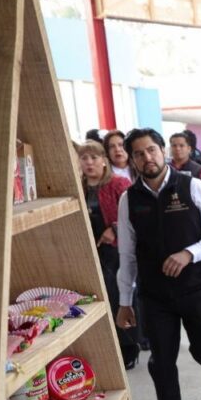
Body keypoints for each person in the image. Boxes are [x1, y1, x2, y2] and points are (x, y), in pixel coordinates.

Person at [116, 128, 201, 400]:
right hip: (154, 297)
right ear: (132, 160)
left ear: (162, 149)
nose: (146, 158)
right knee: (161, 363)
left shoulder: (190, 185)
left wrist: (189, 253)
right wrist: (125, 301)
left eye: (151, 150)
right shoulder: (129, 199)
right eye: (138, 153)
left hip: (195, 290)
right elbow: (126, 254)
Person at [76, 140, 140, 369]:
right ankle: (109, 347)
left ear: (104, 160)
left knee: (118, 298)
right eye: (84, 158)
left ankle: (129, 347)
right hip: (89, 252)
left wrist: (113, 228)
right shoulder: (78, 187)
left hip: (115, 251)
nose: (89, 163)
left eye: (94, 157)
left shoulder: (118, 183)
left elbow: (134, 214)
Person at [169, 132, 201, 199]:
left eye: (181, 145)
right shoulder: (165, 169)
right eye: (174, 146)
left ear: (189, 149)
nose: (177, 149)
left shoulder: (199, 170)